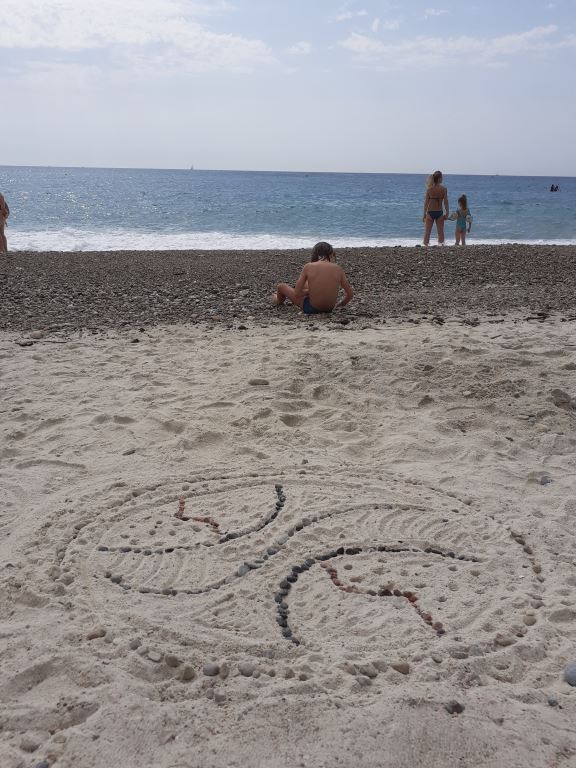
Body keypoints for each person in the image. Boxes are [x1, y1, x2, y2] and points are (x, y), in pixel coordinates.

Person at [272, 241, 353, 315]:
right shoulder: (338, 269)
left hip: (311, 308)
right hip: (329, 309)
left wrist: (310, 292)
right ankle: (314, 294)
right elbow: (350, 295)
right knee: (307, 285)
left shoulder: (308, 266)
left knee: (281, 286)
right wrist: (339, 305)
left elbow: (297, 294)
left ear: (316, 254)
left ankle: (277, 300)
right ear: (331, 254)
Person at [422, 170, 449, 246]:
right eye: (442, 177)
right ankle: (441, 245)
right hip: (439, 212)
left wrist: (424, 214)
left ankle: (426, 245)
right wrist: (447, 213)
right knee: (440, 232)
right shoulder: (444, 189)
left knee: (427, 232)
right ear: (439, 178)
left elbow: (426, 203)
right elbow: (446, 202)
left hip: (430, 212)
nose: (442, 178)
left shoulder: (429, 189)